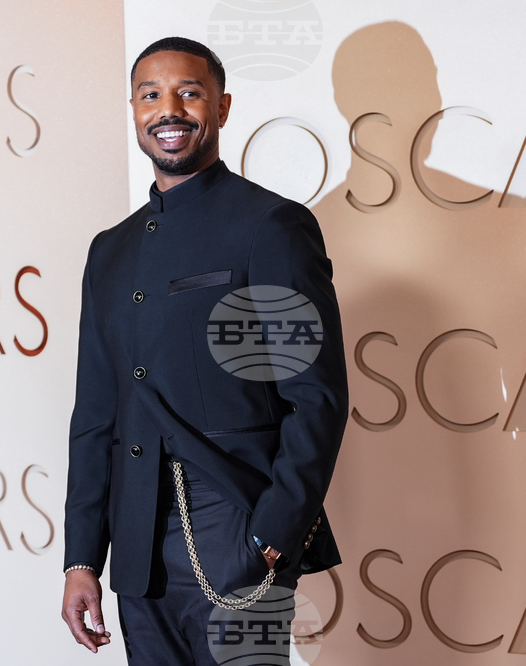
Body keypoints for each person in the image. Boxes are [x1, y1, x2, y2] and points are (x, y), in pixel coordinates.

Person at [60, 36, 349, 664]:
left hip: (232, 527)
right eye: (150, 95)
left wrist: (272, 537)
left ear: (221, 107)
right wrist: (83, 556)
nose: (169, 109)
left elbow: (317, 397)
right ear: (134, 109)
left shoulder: (270, 225)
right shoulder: (108, 251)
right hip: (135, 544)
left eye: (189, 93)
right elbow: (95, 416)